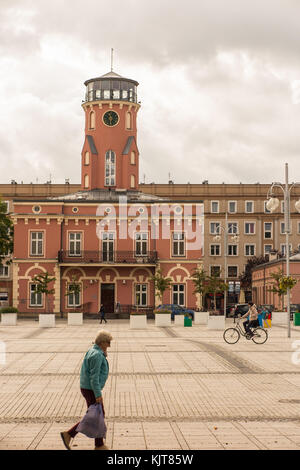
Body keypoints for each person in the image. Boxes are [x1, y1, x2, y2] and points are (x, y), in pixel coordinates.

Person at [60, 330, 112, 450]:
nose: (109, 345)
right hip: (91, 389)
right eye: (108, 342)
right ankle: (69, 434)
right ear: (102, 342)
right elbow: (94, 377)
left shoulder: (94, 351)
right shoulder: (97, 355)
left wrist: (104, 353)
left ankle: (98, 444)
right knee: (95, 415)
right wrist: (98, 394)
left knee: (97, 414)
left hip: (87, 387)